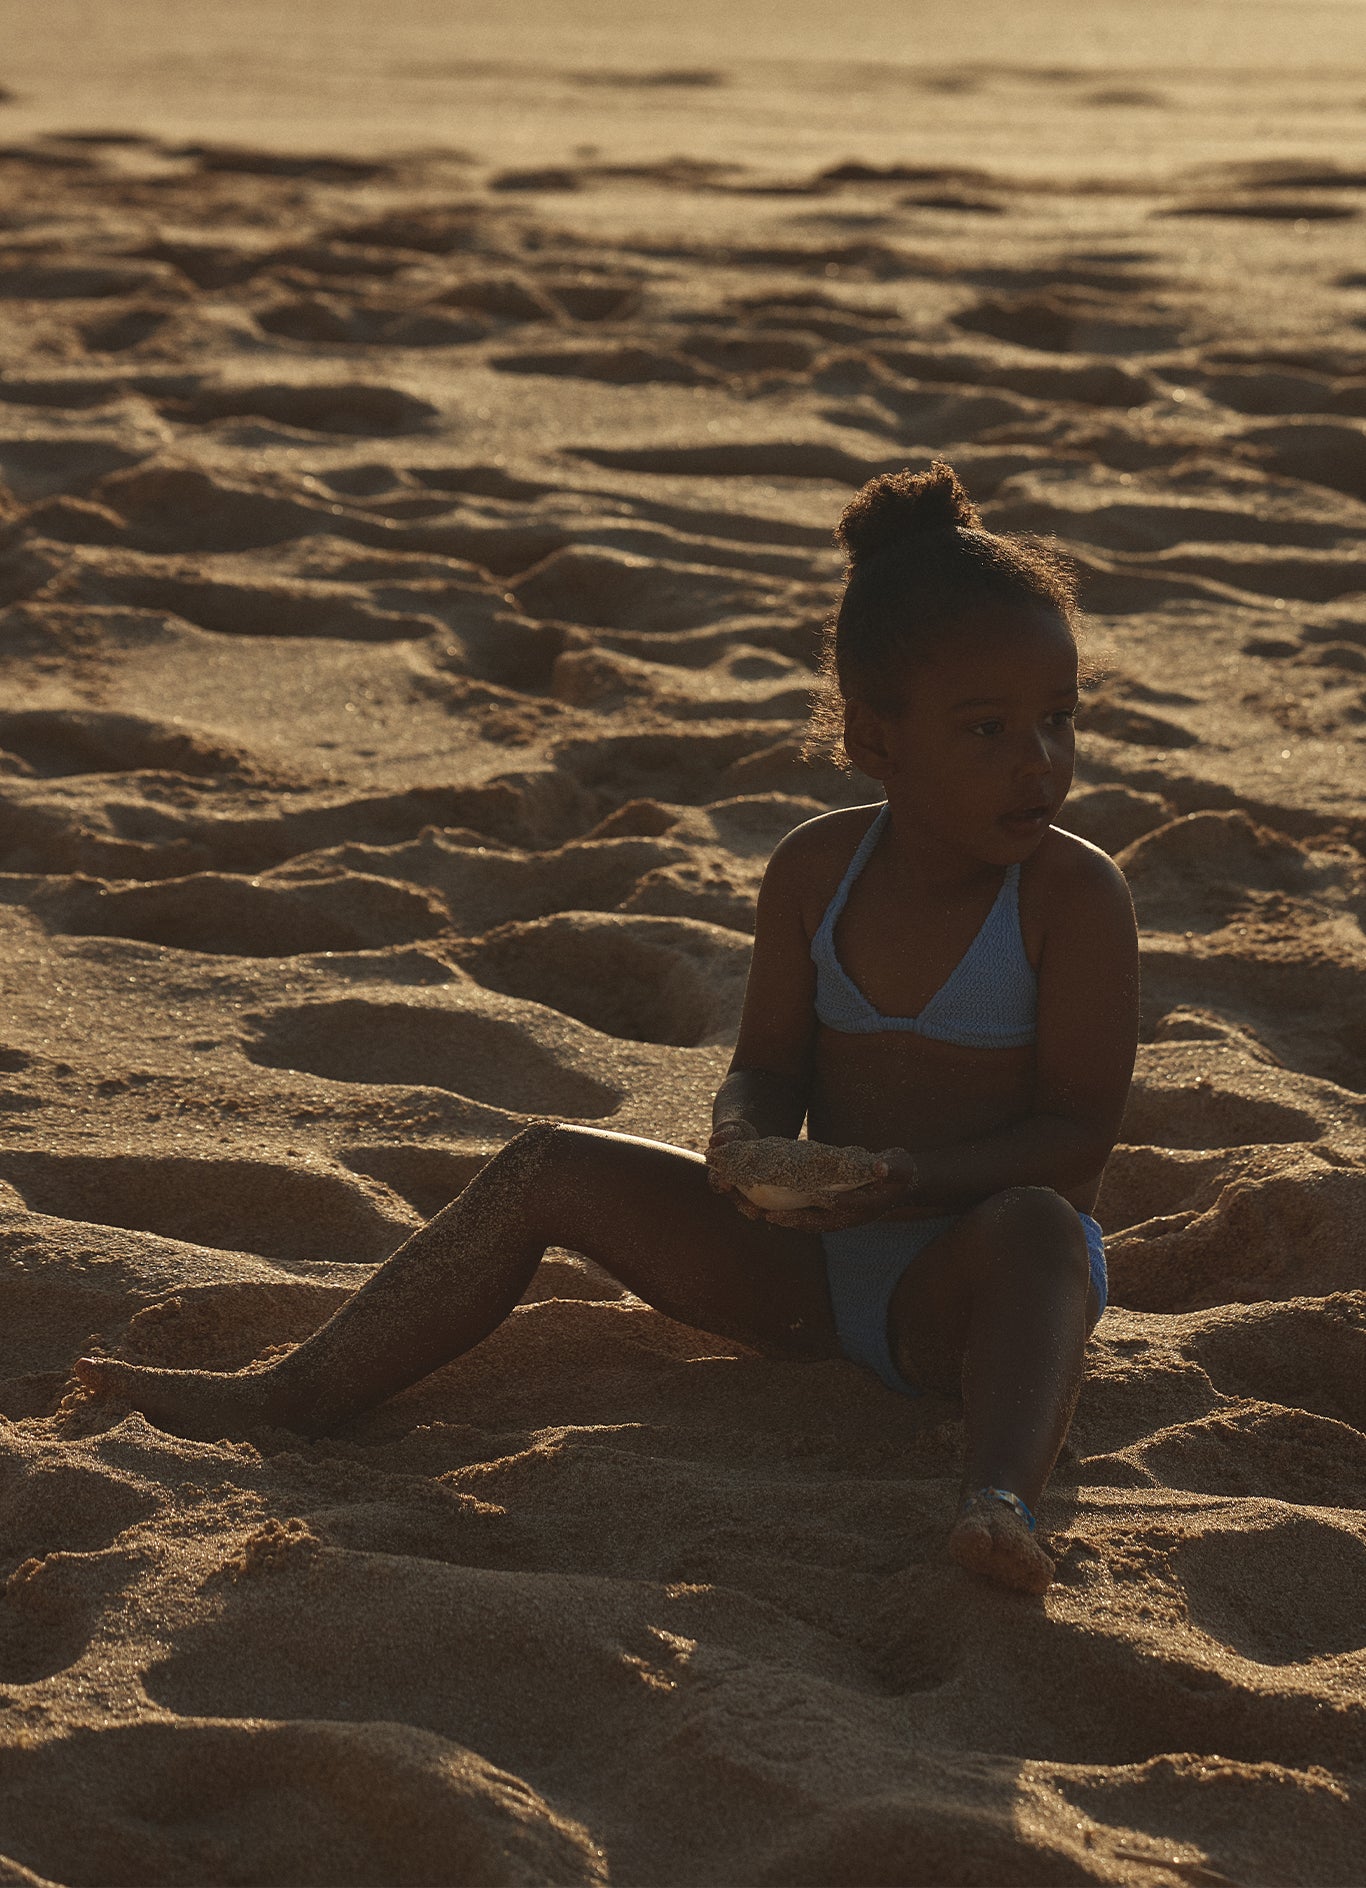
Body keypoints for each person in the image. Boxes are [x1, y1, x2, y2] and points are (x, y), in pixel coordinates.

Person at [74, 460, 1138, 1596]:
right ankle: (296, 1391)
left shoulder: (1072, 897)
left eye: (1058, 720)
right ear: (876, 741)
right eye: (988, 728)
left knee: (1037, 1226)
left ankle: (1001, 1498)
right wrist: (742, 1139)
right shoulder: (815, 872)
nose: (1039, 760)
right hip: (802, 1271)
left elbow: (1073, 1137)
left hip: (964, 1297)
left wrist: (908, 1175)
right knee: (543, 1164)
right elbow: (769, 1066)